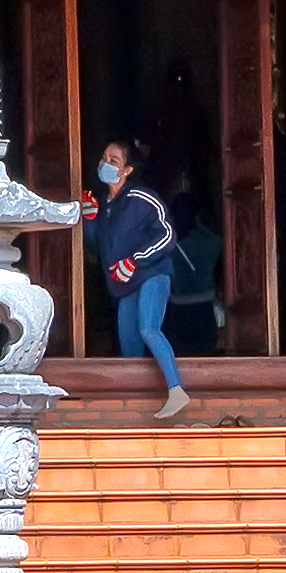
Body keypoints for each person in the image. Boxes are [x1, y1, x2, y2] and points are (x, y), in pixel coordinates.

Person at [87, 137, 195, 420]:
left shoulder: (142, 198)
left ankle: (176, 390)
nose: (105, 164)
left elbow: (167, 234)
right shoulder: (105, 206)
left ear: (127, 171)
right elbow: (95, 247)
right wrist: (89, 220)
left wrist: (137, 260)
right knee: (129, 345)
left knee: (149, 328)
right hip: (124, 284)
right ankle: (131, 407)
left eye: (114, 161)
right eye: (104, 158)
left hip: (152, 275)